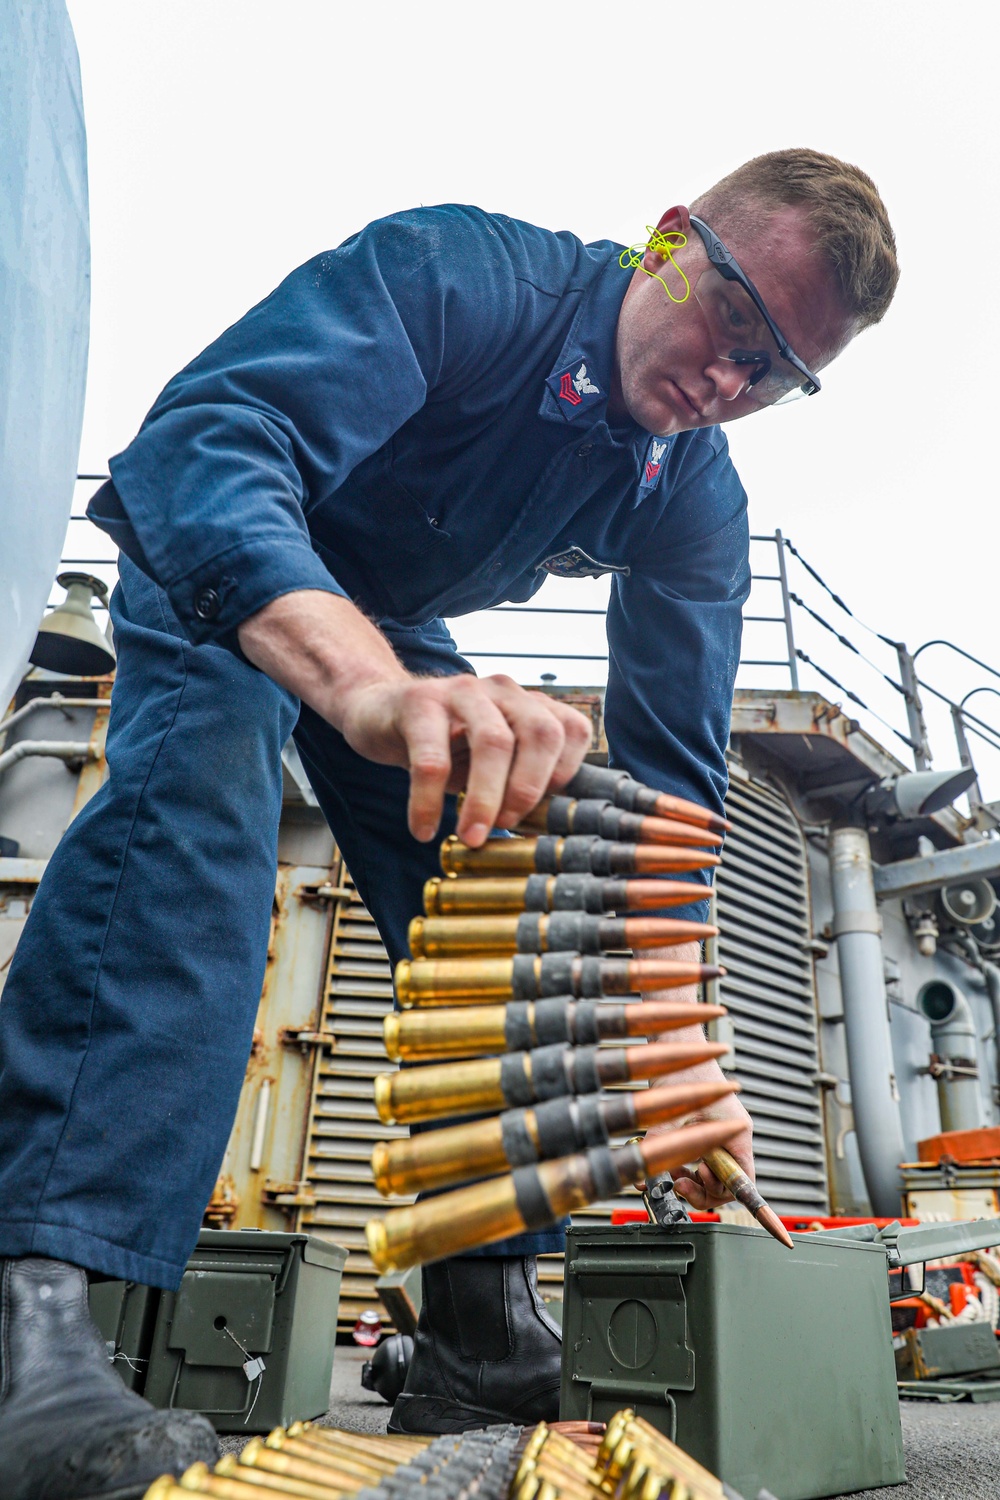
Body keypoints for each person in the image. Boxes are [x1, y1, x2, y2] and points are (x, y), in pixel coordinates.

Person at [0, 148, 897, 1495]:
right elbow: (207, 444)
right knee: (194, 835)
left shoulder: (695, 494)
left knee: (523, 885)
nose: (728, 383)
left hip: (395, 629)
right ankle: (32, 1316)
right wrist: (360, 686)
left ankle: (478, 1325)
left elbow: (664, 803)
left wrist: (677, 1067)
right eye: (734, 323)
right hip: (237, 561)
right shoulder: (460, 275)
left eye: (775, 376)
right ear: (666, 244)